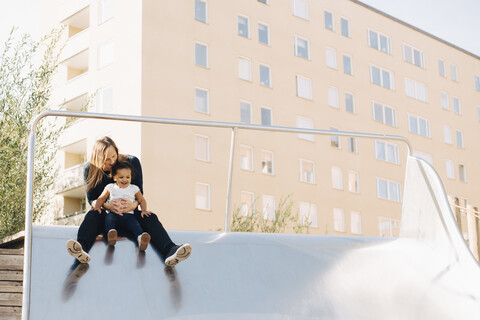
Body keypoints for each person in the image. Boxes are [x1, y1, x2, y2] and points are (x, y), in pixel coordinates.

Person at [66, 136, 191, 267]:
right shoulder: (90, 169)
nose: (112, 161)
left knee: (150, 216)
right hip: (107, 220)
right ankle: (81, 248)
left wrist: (133, 205)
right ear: (98, 159)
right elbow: (91, 199)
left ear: (117, 151)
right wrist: (107, 205)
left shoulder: (132, 162)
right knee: (92, 214)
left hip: (131, 217)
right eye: (107, 159)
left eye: (114, 156)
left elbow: (140, 194)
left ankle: (170, 250)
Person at [93, 161, 151, 251]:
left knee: (135, 224)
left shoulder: (134, 188)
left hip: (129, 216)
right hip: (113, 214)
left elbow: (141, 200)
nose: (125, 180)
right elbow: (101, 198)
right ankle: (111, 235)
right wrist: (97, 207)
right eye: (121, 177)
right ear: (115, 178)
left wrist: (144, 210)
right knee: (109, 219)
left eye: (128, 177)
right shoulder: (110, 187)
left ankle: (141, 239)